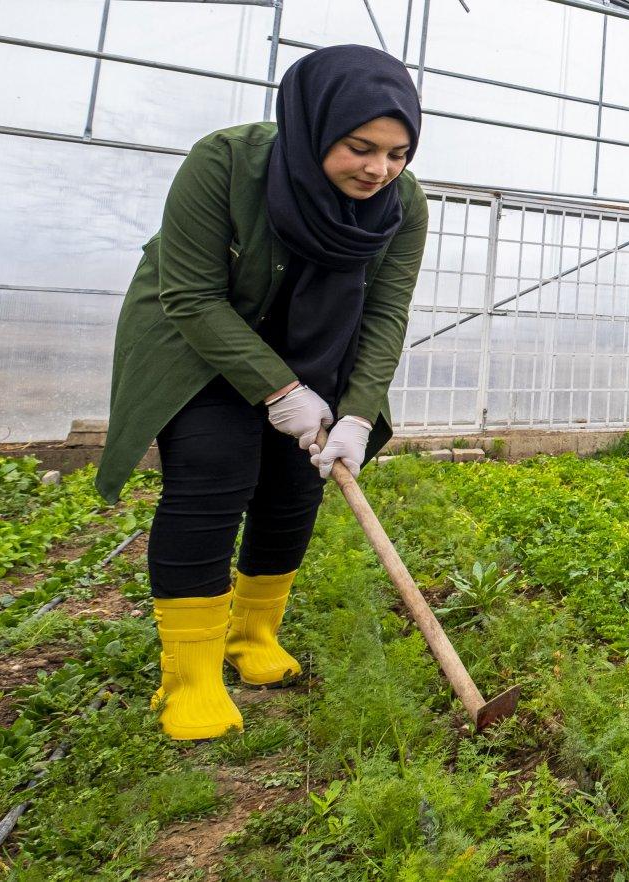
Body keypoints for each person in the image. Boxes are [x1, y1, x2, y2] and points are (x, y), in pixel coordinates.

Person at [95, 45, 427, 739]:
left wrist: (358, 414)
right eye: (359, 147)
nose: (378, 169)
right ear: (313, 126)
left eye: (397, 153)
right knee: (213, 475)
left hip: (320, 349)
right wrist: (279, 391)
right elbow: (189, 294)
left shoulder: (403, 206)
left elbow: (386, 313)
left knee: (295, 486)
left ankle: (253, 638)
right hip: (199, 346)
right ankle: (186, 678)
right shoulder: (225, 163)